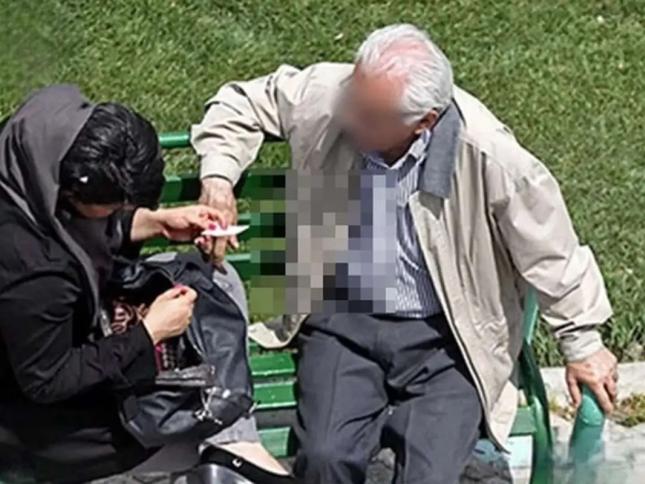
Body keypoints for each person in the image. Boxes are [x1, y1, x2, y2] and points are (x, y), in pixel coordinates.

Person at [192, 24, 619, 483]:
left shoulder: (490, 154)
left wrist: (583, 345)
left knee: (429, 474)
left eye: (369, 115)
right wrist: (218, 179)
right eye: (353, 98)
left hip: (449, 339)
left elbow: (551, 251)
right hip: (343, 322)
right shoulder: (333, 95)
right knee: (325, 457)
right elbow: (238, 103)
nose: (349, 117)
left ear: (424, 122)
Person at [0, 85, 292, 483]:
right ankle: (235, 447)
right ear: (70, 192)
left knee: (217, 279)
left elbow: (73, 224)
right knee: (195, 418)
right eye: (115, 209)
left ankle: (232, 442)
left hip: (58, 326)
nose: (120, 214)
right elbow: (47, 381)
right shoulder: (33, 272)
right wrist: (149, 332)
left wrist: (155, 223)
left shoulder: (37, 140)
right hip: (40, 420)